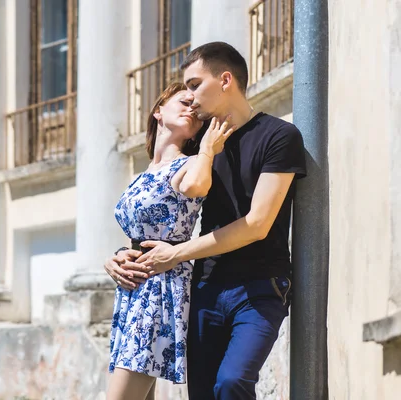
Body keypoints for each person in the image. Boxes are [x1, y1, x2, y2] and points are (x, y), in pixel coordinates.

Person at [104, 42, 307, 400]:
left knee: (231, 382)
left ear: (225, 79)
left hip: (260, 286)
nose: (191, 98)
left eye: (195, 85)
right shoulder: (201, 149)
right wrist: (125, 253)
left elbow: (257, 223)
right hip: (205, 287)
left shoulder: (278, 136)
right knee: (201, 393)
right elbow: (164, 214)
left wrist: (178, 254)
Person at [106, 82, 236, 400]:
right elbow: (137, 234)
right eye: (184, 101)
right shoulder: (142, 175)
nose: (192, 108)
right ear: (158, 111)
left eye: (196, 107)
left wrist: (207, 149)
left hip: (159, 289)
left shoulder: (189, 164)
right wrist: (116, 256)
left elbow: (197, 187)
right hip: (133, 290)